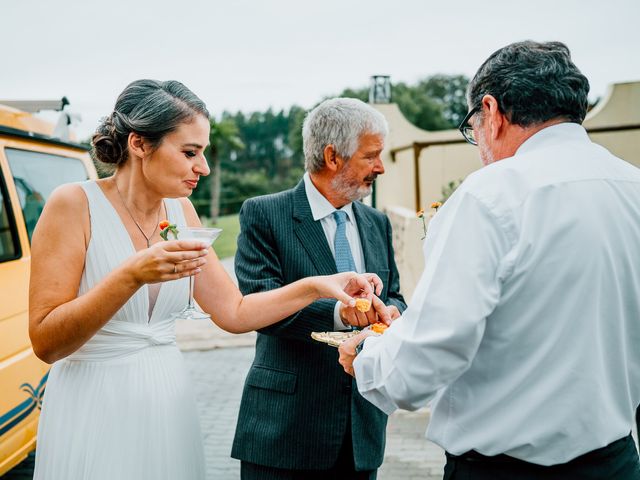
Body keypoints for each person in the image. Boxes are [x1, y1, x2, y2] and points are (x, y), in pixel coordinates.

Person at [28, 80, 383, 480]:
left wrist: (318, 285)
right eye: (190, 152)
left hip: (167, 400)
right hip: (93, 402)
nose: (204, 167)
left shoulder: (182, 212)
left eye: (204, 153)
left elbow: (234, 312)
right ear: (140, 144)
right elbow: (46, 341)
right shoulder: (73, 204)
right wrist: (131, 275)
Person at [338, 41, 640, 479]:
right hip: (617, 463)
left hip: (506, 470)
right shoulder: (632, 186)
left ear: (491, 111)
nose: (477, 143)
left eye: (472, 128)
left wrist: (368, 355)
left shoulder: (490, 196)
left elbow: (426, 360)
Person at [231, 97, 407, 479]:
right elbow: (258, 303)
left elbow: (395, 295)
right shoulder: (264, 214)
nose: (380, 167)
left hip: (361, 431)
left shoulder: (377, 222)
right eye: (371, 156)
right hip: (285, 431)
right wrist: (339, 313)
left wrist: (391, 314)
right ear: (332, 156)